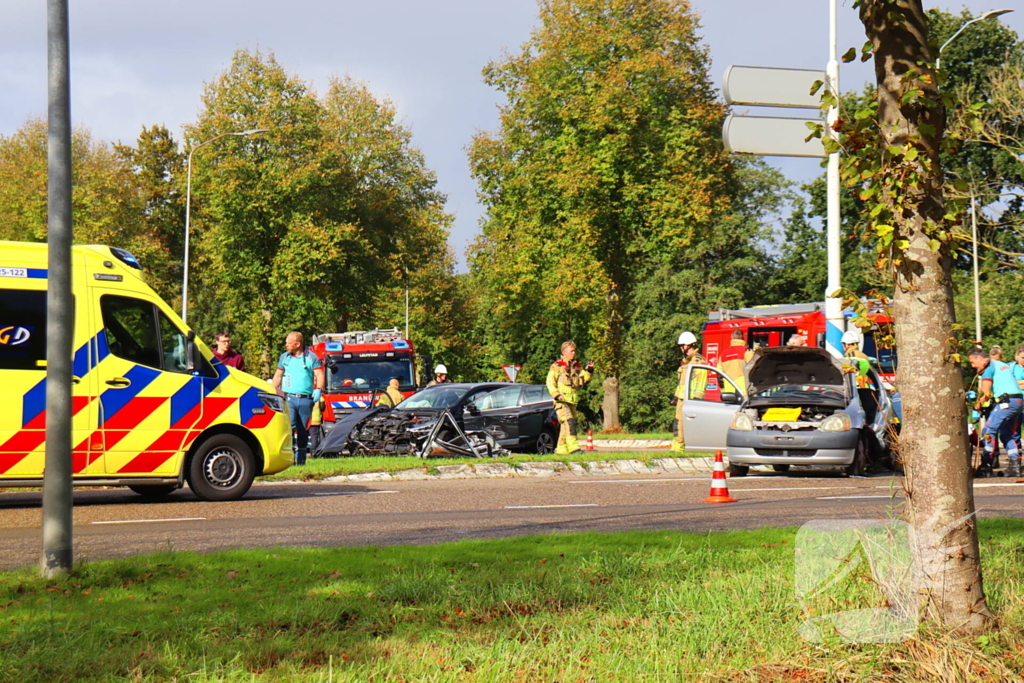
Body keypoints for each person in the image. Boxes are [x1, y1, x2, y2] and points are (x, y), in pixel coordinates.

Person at [272, 332, 324, 466]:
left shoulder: (311, 357)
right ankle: (288, 456)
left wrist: (318, 389)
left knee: (302, 429)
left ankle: (301, 458)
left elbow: (319, 374)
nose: (286, 345)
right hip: (290, 398)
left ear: (298, 344)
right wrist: (271, 390)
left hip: (306, 399)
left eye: (289, 343)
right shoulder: (285, 357)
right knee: (290, 425)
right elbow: (278, 375)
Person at [969, 347, 1022, 478]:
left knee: (988, 430)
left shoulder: (988, 367)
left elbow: (985, 393)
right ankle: (1015, 466)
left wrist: (977, 405)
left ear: (979, 358)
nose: (972, 366)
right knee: (1007, 434)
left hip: (1006, 402)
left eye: (972, 362)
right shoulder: (1001, 365)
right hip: (1018, 401)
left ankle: (987, 465)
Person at [546, 341, 593, 455]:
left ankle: (561, 449)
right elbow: (550, 382)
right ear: (564, 352)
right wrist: (556, 394)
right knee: (569, 421)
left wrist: (589, 371)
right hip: (561, 401)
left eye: (574, 350)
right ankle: (573, 447)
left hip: (572, 400)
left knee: (565, 425)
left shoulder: (576, 367)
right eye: (571, 351)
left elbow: (582, 380)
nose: (574, 353)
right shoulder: (557, 366)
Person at [671, 331, 707, 453]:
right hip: (682, 398)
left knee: (683, 425)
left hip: (689, 399)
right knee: (678, 424)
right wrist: (676, 397)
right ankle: (677, 447)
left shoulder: (697, 360)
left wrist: (696, 399)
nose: (681, 348)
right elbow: (682, 382)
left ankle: (680, 448)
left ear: (688, 345)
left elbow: (700, 381)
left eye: (681, 345)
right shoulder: (687, 361)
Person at [841, 330, 878, 428]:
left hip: (854, 391)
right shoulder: (863, 356)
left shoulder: (849, 357)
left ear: (847, 345)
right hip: (866, 389)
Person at [716, 329, 753, 393]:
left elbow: (719, 374)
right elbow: (754, 370)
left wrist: (722, 389)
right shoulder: (747, 351)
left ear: (731, 337)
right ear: (743, 337)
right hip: (744, 391)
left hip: (728, 391)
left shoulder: (723, 354)